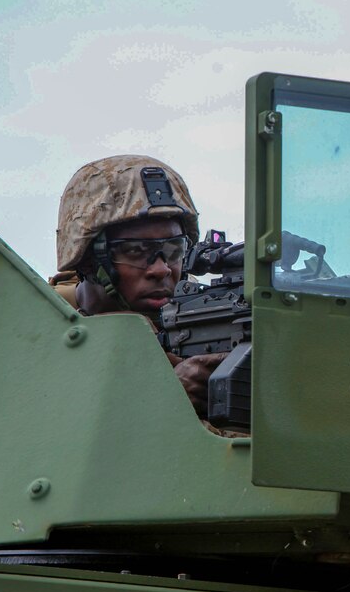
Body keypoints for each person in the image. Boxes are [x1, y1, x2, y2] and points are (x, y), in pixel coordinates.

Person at [48, 154, 224, 418]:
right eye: (135, 250)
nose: (162, 269)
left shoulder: (208, 318)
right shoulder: (41, 326)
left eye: (173, 250)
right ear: (86, 259)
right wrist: (158, 396)